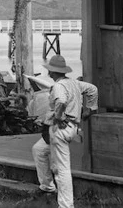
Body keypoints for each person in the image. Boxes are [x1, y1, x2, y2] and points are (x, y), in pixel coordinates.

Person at [31, 54, 98, 208]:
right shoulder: (74, 83)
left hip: (60, 127)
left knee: (61, 169)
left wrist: (59, 116)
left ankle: (66, 205)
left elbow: (61, 101)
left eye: (50, 71)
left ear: (53, 73)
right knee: (39, 150)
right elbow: (93, 89)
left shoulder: (59, 87)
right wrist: (91, 108)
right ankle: (47, 187)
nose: (48, 73)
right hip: (71, 127)